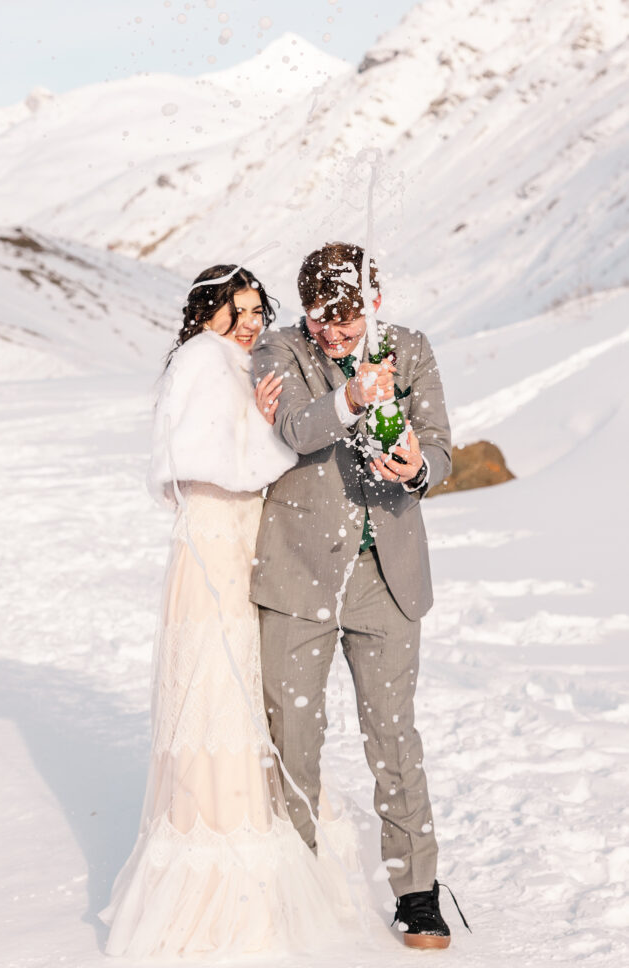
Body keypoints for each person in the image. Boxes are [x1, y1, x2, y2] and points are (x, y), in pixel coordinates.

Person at [100, 265, 358, 960]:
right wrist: (268, 425)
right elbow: (215, 461)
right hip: (217, 541)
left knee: (242, 685)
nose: (247, 321)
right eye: (234, 309)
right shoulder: (204, 361)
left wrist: (261, 418)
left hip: (233, 538)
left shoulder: (223, 362)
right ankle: (224, 849)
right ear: (205, 312)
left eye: (254, 309)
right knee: (221, 685)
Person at [251, 241, 468, 950]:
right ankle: (297, 880)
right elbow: (294, 430)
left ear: (373, 303)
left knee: (393, 734)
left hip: (387, 576)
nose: (336, 335)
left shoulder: (409, 348)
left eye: (348, 323)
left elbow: (438, 445)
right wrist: (349, 396)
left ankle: (416, 892)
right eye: (323, 322)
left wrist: (416, 468)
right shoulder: (278, 351)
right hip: (298, 576)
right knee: (294, 740)